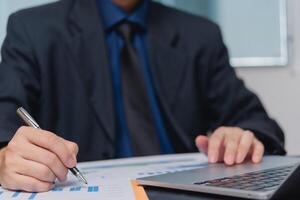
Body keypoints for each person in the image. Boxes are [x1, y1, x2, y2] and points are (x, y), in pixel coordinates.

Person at [0, 0, 285, 192]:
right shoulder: (32, 30)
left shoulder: (199, 34)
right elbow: (4, 121)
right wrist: (4, 157)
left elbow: (257, 123)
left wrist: (242, 137)